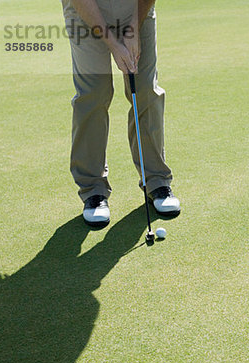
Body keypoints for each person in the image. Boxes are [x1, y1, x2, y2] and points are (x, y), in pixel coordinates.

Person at [62, 0, 180, 227]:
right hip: (85, 11)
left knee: (145, 89)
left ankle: (156, 181)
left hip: (135, 8)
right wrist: (113, 44)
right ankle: (93, 191)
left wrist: (132, 28)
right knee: (94, 93)